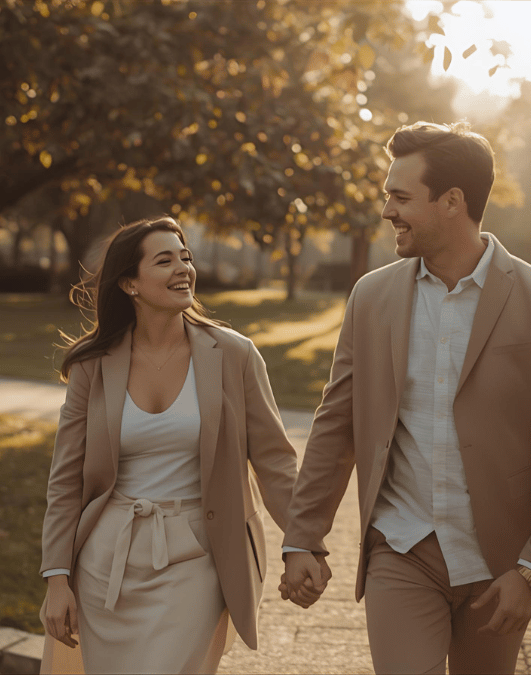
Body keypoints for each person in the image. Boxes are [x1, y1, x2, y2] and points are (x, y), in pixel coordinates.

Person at [280, 122, 531, 674]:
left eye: (400, 197)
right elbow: (337, 423)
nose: (387, 212)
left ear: (452, 201)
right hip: (401, 550)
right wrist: (302, 539)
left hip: (499, 568)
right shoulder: (372, 297)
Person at [38, 216, 325, 674]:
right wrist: (56, 578)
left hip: (198, 557)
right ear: (130, 283)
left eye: (186, 257)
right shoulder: (93, 365)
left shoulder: (233, 354)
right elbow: (66, 479)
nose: (183, 269)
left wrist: (302, 543)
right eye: (165, 260)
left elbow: (274, 462)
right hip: (107, 565)